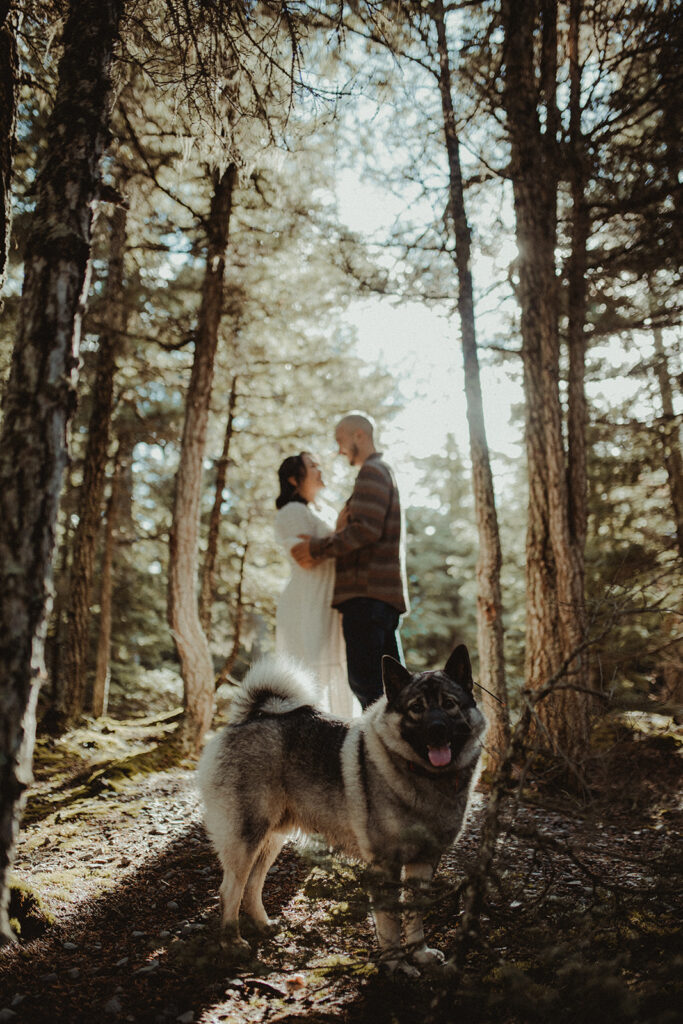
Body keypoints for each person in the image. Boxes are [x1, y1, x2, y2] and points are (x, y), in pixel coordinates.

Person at [291, 413, 408, 709]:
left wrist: (316, 548)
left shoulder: (372, 471)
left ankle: (381, 753)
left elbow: (365, 530)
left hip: (367, 596)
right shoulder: (380, 471)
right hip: (376, 597)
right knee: (392, 688)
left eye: (340, 441)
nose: (339, 450)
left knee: (367, 684)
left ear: (359, 435)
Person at [274, 451, 360, 719]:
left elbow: (325, 545)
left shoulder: (324, 511)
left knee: (336, 671)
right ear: (293, 478)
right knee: (311, 671)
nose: (319, 468)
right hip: (306, 602)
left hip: (330, 600)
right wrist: (339, 533)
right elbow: (306, 558)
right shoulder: (291, 511)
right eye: (311, 465)